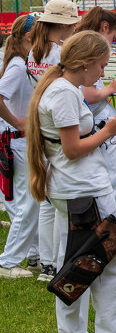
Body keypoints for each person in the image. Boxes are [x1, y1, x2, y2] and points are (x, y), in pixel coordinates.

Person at [26, 30, 116, 333]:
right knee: (113, 262)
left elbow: (68, 140)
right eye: (101, 65)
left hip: (72, 189)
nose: (103, 73)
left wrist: (104, 127)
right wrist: (108, 131)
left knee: (72, 263)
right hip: (84, 189)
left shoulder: (59, 87)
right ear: (84, 64)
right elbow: (72, 150)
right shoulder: (64, 93)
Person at [28, 0, 82, 282]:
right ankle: (54, 263)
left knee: (46, 199)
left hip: (40, 120)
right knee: (56, 201)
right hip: (56, 121)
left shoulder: (34, 52)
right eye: (74, 23)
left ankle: (47, 262)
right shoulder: (58, 53)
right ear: (65, 25)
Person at [76, 7, 116, 218]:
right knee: (113, 181)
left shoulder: (80, 43)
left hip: (94, 123)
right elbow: (89, 94)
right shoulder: (89, 47)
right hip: (98, 124)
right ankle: (115, 226)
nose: (112, 41)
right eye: (113, 36)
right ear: (105, 27)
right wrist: (112, 88)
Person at [0, 15, 41, 277]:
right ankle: (9, 260)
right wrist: (16, 121)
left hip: (15, 139)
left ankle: (31, 252)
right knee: (30, 203)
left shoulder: (18, 62)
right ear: (29, 37)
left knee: (20, 203)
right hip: (18, 140)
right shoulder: (17, 65)